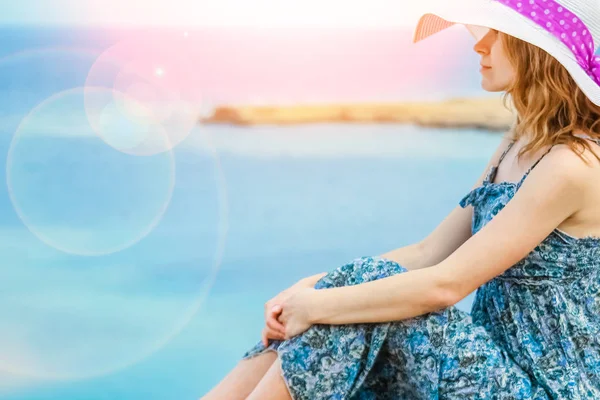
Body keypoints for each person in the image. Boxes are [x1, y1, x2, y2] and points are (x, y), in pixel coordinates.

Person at [201, 0, 600, 398]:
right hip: (495, 364)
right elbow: (430, 252)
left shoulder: (571, 165)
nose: (479, 46)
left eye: (498, 34)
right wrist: (313, 287)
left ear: (537, 50)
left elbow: (446, 286)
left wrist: (315, 306)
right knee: (354, 294)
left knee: (355, 300)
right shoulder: (520, 139)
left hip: (545, 387)